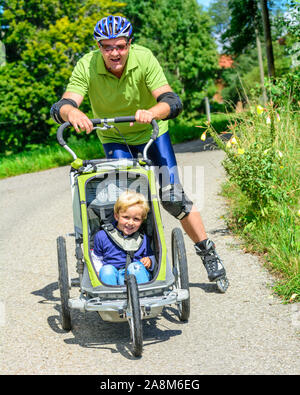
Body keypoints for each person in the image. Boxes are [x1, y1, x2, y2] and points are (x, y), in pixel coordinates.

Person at [50, 15, 228, 288]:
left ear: (129, 44)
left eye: (120, 46)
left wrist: (151, 112)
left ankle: (208, 252)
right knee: (125, 202)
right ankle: (128, 260)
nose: (114, 53)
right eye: (107, 47)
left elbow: (171, 100)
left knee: (173, 198)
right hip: (114, 137)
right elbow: (63, 104)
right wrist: (72, 112)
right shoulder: (87, 65)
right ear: (99, 47)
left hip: (151, 134)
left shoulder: (144, 59)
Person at [91, 190, 154, 285]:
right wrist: (99, 271)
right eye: (126, 217)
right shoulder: (102, 236)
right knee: (106, 270)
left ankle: (144, 295)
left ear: (142, 220)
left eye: (136, 219)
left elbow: (151, 257)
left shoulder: (143, 238)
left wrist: (149, 261)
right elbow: (96, 258)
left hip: (136, 275)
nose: (130, 222)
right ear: (116, 216)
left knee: (135, 267)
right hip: (113, 276)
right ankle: (109, 296)